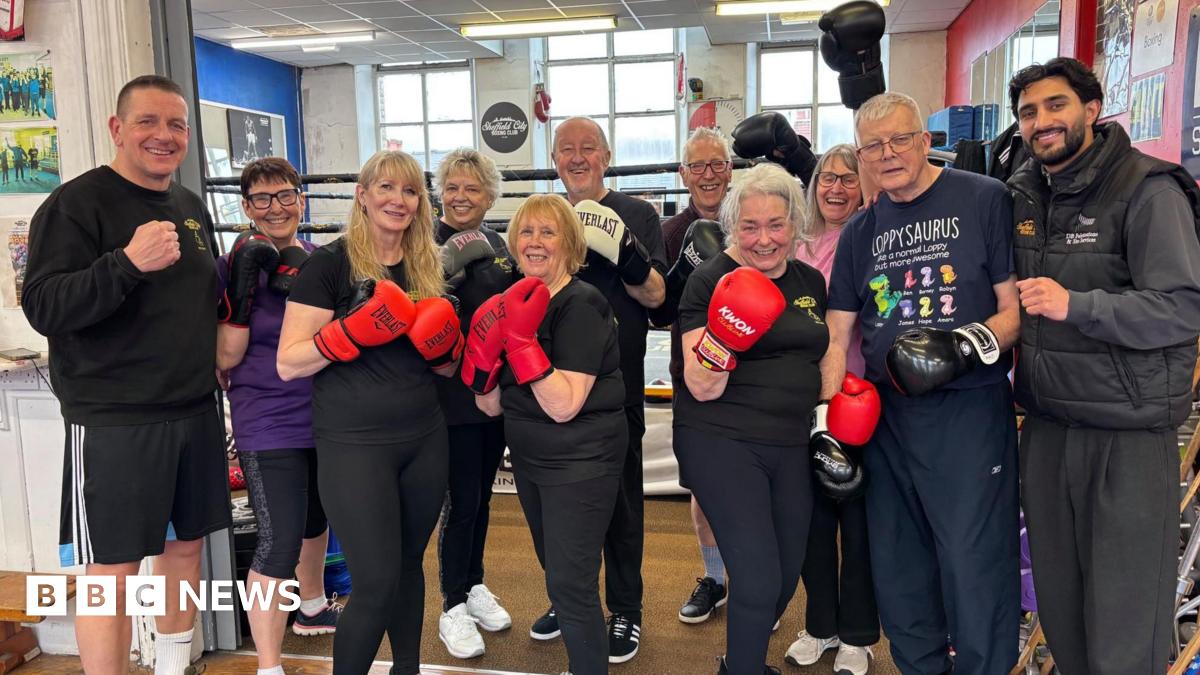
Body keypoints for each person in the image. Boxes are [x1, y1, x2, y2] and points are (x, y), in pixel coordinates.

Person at [22, 74, 227, 675]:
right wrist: (125, 264)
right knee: (110, 571)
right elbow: (44, 306)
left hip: (192, 409)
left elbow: (198, 303)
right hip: (115, 419)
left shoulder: (189, 207)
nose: (164, 136)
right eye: (148, 122)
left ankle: (171, 665)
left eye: (176, 125)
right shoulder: (75, 205)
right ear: (117, 128)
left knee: (185, 549)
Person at [1007, 57, 1200, 674]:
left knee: (1124, 627)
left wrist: (1077, 306)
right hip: (1046, 427)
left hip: (1125, 434)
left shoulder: (1148, 189)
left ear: (1092, 110)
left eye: (1056, 105)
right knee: (1062, 613)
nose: (1043, 122)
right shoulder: (1024, 191)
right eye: (1029, 112)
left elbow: (1182, 307)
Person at [825, 91, 1022, 674]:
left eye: (899, 139)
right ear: (862, 156)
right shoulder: (861, 232)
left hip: (967, 411)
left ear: (925, 139)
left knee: (971, 564)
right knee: (899, 568)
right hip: (887, 418)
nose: (888, 154)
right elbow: (838, 337)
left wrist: (963, 347)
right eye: (873, 146)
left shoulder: (983, 198)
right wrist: (827, 424)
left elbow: (1014, 311)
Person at [676, 162, 866, 675]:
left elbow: (825, 350)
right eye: (751, 226)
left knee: (783, 578)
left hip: (790, 442)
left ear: (796, 224)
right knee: (757, 579)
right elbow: (700, 383)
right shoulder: (709, 279)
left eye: (777, 225)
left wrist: (830, 416)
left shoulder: (807, 280)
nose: (764, 240)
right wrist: (728, 331)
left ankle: (741, 662)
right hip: (721, 438)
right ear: (733, 226)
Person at [277, 150, 460, 675]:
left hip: (424, 437)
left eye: (408, 192)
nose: (396, 200)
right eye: (385, 188)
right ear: (362, 195)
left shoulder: (428, 263)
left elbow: (446, 370)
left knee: (408, 567)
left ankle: (408, 668)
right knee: (376, 582)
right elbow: (289, 362)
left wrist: (444, 346)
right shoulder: (329, 265)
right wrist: (347, 333)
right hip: (354, 447)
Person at [469, 193, 628, 675]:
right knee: (558, 573)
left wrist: (518, 344)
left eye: (548, 232)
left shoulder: (581, 303)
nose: (535, 242)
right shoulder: (513, 301)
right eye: (526, 232)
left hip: (580, 461)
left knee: (571, 585)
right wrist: (482, 367)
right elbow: (490, 403)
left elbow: (563, 405)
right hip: (533, 460)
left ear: (570, 244)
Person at [536, 116, 668, 663]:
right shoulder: (544, 217)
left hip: (616, 385)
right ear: (555, 159)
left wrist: (625, 249)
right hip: (550, 381)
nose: (577, 157)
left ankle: (627, 608)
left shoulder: (637, 213)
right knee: (554, 501)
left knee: (619, 500)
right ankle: (570, 599)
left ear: (606, 156)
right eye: (567, 149)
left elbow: (658, 297)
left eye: (588, 147)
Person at [215, 157, 340, 675]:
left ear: (301, 200)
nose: (276, 207)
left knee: (317, 518)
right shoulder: (229, 266)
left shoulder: (320, 261)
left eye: (285, 195)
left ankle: (311, 606)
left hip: (326, 414)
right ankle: (268, 664)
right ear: (246, 207)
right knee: (277, 540)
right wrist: (244, 292)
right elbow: (223, 358)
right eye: (262, 199)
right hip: (266, 418)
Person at [784, 144, 878, 674]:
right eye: (827, 178)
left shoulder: (870, 237)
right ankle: (819, 625)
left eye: (847, 179)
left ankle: (859, 636)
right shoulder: (797, 244)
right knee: (810, 520)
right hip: (802, 397)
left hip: (856, 396)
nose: (836, 188)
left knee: (857, 516)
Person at [431, 148, 517, 659]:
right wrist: (442, 284)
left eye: (473, 188)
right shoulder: (425, 241)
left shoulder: (499, 244)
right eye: (453, 187)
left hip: (493, 393)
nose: (461, 197)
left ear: (489, 195)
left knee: (481, 497)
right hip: (449, 395)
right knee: (460, 500)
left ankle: (475, 582)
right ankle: (452, 604)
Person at [657, 127, 733, 625]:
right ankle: (717, 579)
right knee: (704, 488)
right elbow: (655, 313)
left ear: (730, 169)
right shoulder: (667, 232)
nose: (708, 175)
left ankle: (754, 582)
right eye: (697, 166)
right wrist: (682, 275)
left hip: (753, 377)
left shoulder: (751, 218)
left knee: (761, 487)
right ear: (683, 174)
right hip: (693, 378)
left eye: (717, 164)